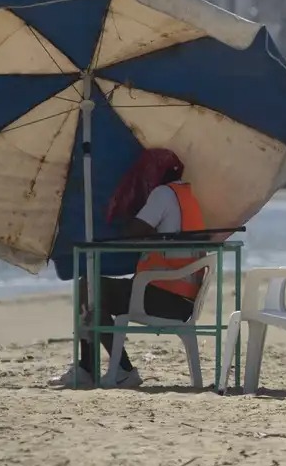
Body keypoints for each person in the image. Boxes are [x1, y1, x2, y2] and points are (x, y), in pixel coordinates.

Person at [50, 149, 208, 390]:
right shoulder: (188, 197)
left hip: (162, 295)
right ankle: (93, 368)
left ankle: (114, 369)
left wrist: (126, 209)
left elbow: (134, 230)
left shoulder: (162, 194)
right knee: (94, 290)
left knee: (89, 287)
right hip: (183, 300)